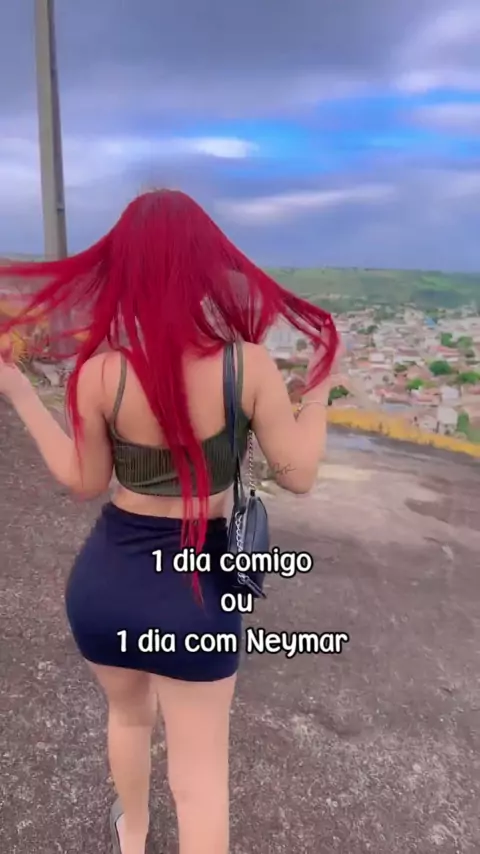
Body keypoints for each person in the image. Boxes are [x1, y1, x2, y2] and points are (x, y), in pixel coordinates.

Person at [0, 189, 340, 854]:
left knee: (127, 719)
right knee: (200, 782)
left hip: (105, 588)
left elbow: (84, 481)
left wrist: (16, 390)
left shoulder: (101, 373)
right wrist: (320, 391)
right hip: (195, 594)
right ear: (206, 268)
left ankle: (132, 835)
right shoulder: (247, 366)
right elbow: (298, 473)